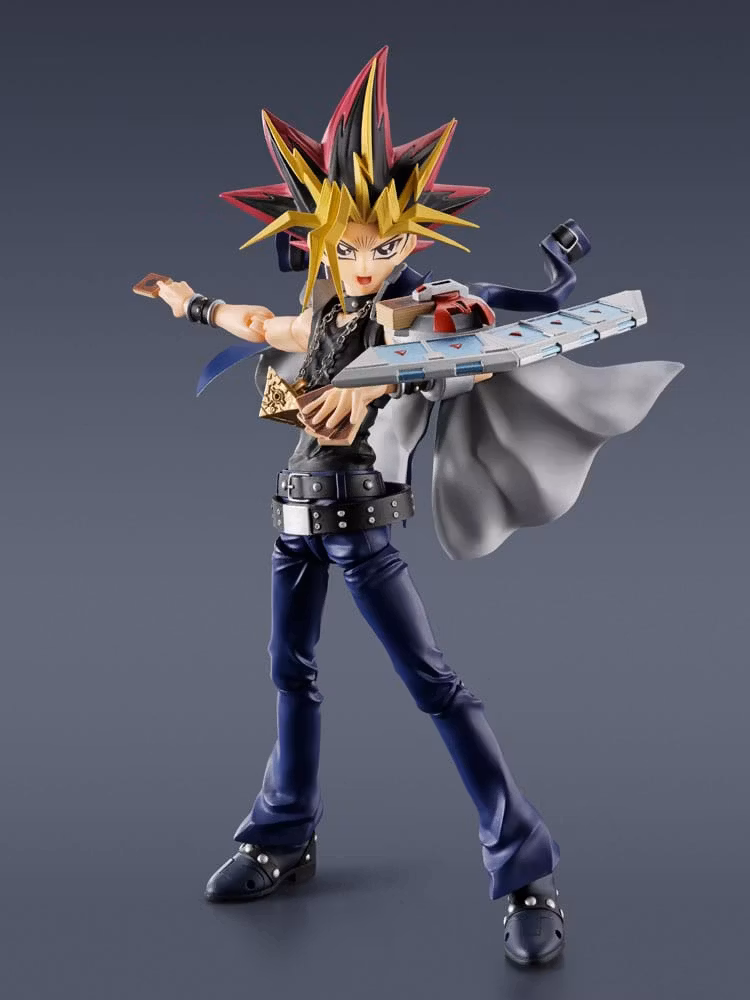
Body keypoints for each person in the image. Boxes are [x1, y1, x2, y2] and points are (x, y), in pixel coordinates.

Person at [146, 47, 682, 967]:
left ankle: (526, 871)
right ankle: (283, 834)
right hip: (292, 522)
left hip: (360, 526)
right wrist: (190, 303)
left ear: (408, 243)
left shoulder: (412, 319)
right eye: (346, 246)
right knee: (289, 674)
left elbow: (453, 347)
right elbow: (257, 323)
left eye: (382, 247)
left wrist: (393, 373)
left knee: (435, 686)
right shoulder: (319, 317)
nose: (362, 263)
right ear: (319, 241)